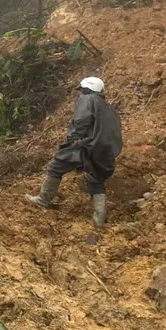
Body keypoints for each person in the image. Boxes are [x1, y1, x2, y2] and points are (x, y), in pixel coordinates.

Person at [25, 77, 122, 226]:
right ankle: (99, 219)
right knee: (96, 180)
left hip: (85, 145)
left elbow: (81, 120)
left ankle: (43, 200)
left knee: (56, 166)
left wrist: (74, 138)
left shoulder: (87, 99)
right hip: (104, 150)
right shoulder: (108, 107)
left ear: (87, 89)